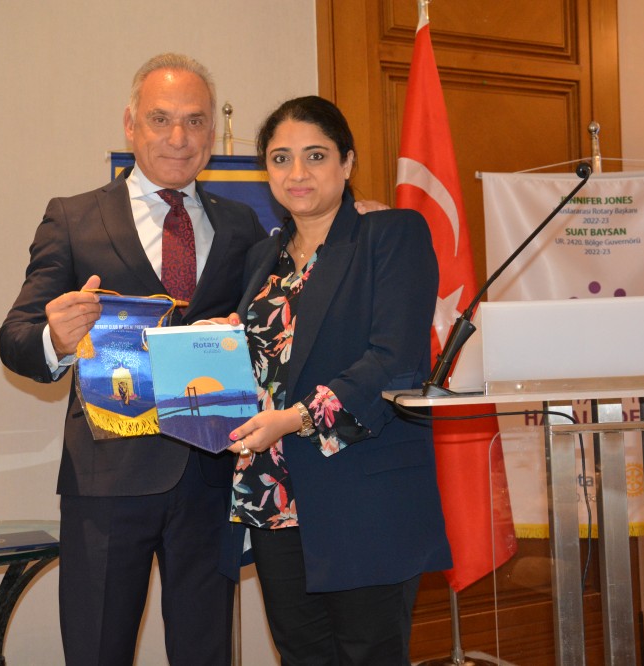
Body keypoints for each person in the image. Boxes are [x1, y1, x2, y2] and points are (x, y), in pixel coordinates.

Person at [0, 53, 267, 665]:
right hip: (106, 480)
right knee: (98, 650)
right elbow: (15, 337)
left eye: (195, 121)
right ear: (130, 124)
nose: (179, 138)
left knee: (207, 654)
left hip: (210, 478)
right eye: (160, 119)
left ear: (211, 132)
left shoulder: (242, 225)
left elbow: (268, 333)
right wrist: (56, 338)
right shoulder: (74, 217)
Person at [220, 96, 453, 665]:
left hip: (363, 495)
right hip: (274, 497)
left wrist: (294, 419)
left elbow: (394, 361)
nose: (297, 173)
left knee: (369, 655)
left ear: (347, 162)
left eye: (316, 155)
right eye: (280, 158)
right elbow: (268, 364)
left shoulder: (390, 235)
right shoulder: (262, 258)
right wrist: (217, 345)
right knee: (301, 655)